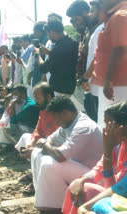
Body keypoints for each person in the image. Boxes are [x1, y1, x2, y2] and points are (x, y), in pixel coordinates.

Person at [30, 96, 103, 213]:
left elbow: (60, 156)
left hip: (93, 173)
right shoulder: (68, 123)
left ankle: (55, 207)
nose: (55, 121)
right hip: (79, 167)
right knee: (37, 152)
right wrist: (45, 144)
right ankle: (46, 199)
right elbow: (50, 140)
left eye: (55, 117)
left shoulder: (83, 126)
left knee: (49, 164)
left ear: (64, 113)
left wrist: (44, 144)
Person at [63, 101, 127, 214]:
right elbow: (99, 168)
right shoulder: (121, 144)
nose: (106, 129)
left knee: (88, 191)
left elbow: (115, 193)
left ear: (123, 126)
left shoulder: (115, 144)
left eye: (109, 124)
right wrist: (81, 180)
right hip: (117, 195)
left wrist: (107, 153)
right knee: (77, 186)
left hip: (121, 200)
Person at [90, 0, 127, 128]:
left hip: (117, 84)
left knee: (113, 125)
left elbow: (120, 48)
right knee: (110, 124)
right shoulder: (116, 15)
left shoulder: (120, 15)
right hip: (115, 84)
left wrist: (109, 80)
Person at [15, 82, 59, 160]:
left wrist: (36, 147)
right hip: (42, 142)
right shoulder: (43, 110)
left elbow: (55, 139)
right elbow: (38, 130)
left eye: (38, 98)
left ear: (48, 97)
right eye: (35, 98)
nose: (36, 102)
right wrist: (31, 144)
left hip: (54, 148)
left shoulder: (58, 113)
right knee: (25, 137)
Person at [80, 0, 104, 123]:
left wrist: (85, 77)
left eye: (92, 11)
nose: (89, 14)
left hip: (97, 85)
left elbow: (97, 57)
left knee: (99, 121)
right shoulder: (98, 29)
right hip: (96, 85)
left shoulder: (101, 29)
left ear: (101, 11)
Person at [40, 20, 78, 96]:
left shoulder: (58, 48)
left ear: (52, 32)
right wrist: (50, 52)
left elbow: (44, 68)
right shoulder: (73, 42)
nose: (48, 37)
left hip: (58, 89)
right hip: (69, 87)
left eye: (48, 34)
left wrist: (38, 55)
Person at [0, 84, 39, 154]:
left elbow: (13, 120)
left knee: (9, 128)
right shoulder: (27, 102)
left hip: (32, 129)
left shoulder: (29, 105)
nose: (14, 96)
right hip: (30, 127)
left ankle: (21, 149)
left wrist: (13, 104)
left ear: (22, 93)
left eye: (15, 94)